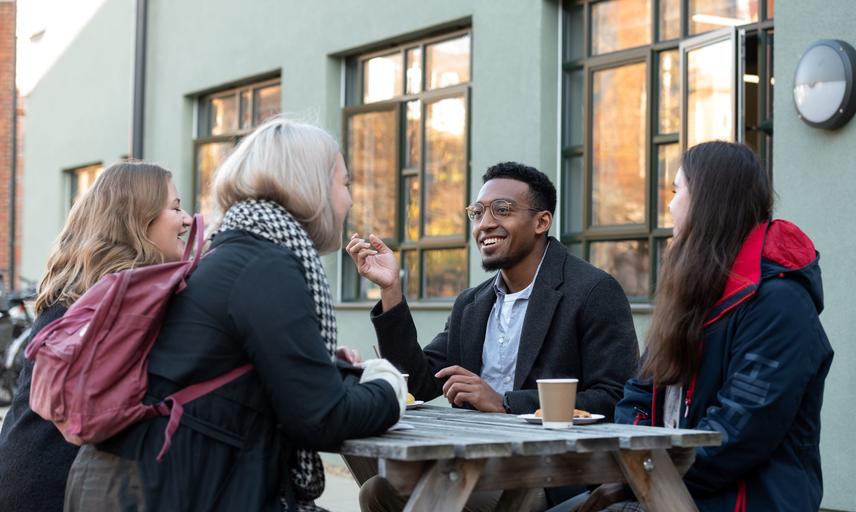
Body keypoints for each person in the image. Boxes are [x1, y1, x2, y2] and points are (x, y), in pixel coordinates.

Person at [63, 117, 406, 512]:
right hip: (165, 489)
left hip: (148, 482)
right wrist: (389, 387)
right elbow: (320, 417)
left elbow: (268, 380)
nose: (349, 200)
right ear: (312, 186)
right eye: (344, 183)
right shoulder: (265, 266)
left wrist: (338, 372)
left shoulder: (235, 254)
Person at [349, 161, 639, 511]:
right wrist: (391, 290)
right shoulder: (472, 304)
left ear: (541, 222)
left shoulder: (593, 291)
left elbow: (615, 400)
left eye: (502, 210)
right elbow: (418, 382)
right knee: (377, 489)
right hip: (473, 463)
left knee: (409, 497)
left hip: (552, 474)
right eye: (478, 212)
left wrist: (505, 403)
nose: (485, 224)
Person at [575, 141, 833, 512]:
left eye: (677, 191)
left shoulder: (778, 301)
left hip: (740, 499)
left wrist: (639, 481)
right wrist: (634, 472)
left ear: (708, 201)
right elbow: (638, 395)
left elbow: (735, 434)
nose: (669, 205)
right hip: (669, 485)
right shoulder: (696, 291)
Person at [0, 161, 192, 512]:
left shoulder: (78, 294)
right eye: (176, 207)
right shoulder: (120, 306)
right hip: (57, 486)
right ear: (137, 219)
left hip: (22, 472)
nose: (188, 219)